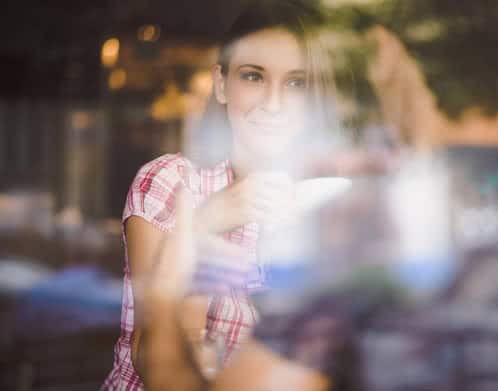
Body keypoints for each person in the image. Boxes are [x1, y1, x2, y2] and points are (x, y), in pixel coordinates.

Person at [134, 0, 498, 390]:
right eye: (254, 77)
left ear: (389, 54)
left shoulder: (371, 223)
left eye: (297, 82)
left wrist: (171, 269)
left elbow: (176, 381)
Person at [101, 1, 341, 389]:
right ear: (221, 84)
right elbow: (156, 367)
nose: (274, 104)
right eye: (253, 77)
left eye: (296, 83)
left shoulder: (327, 208)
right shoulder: (171, 182)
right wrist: (204, 225)